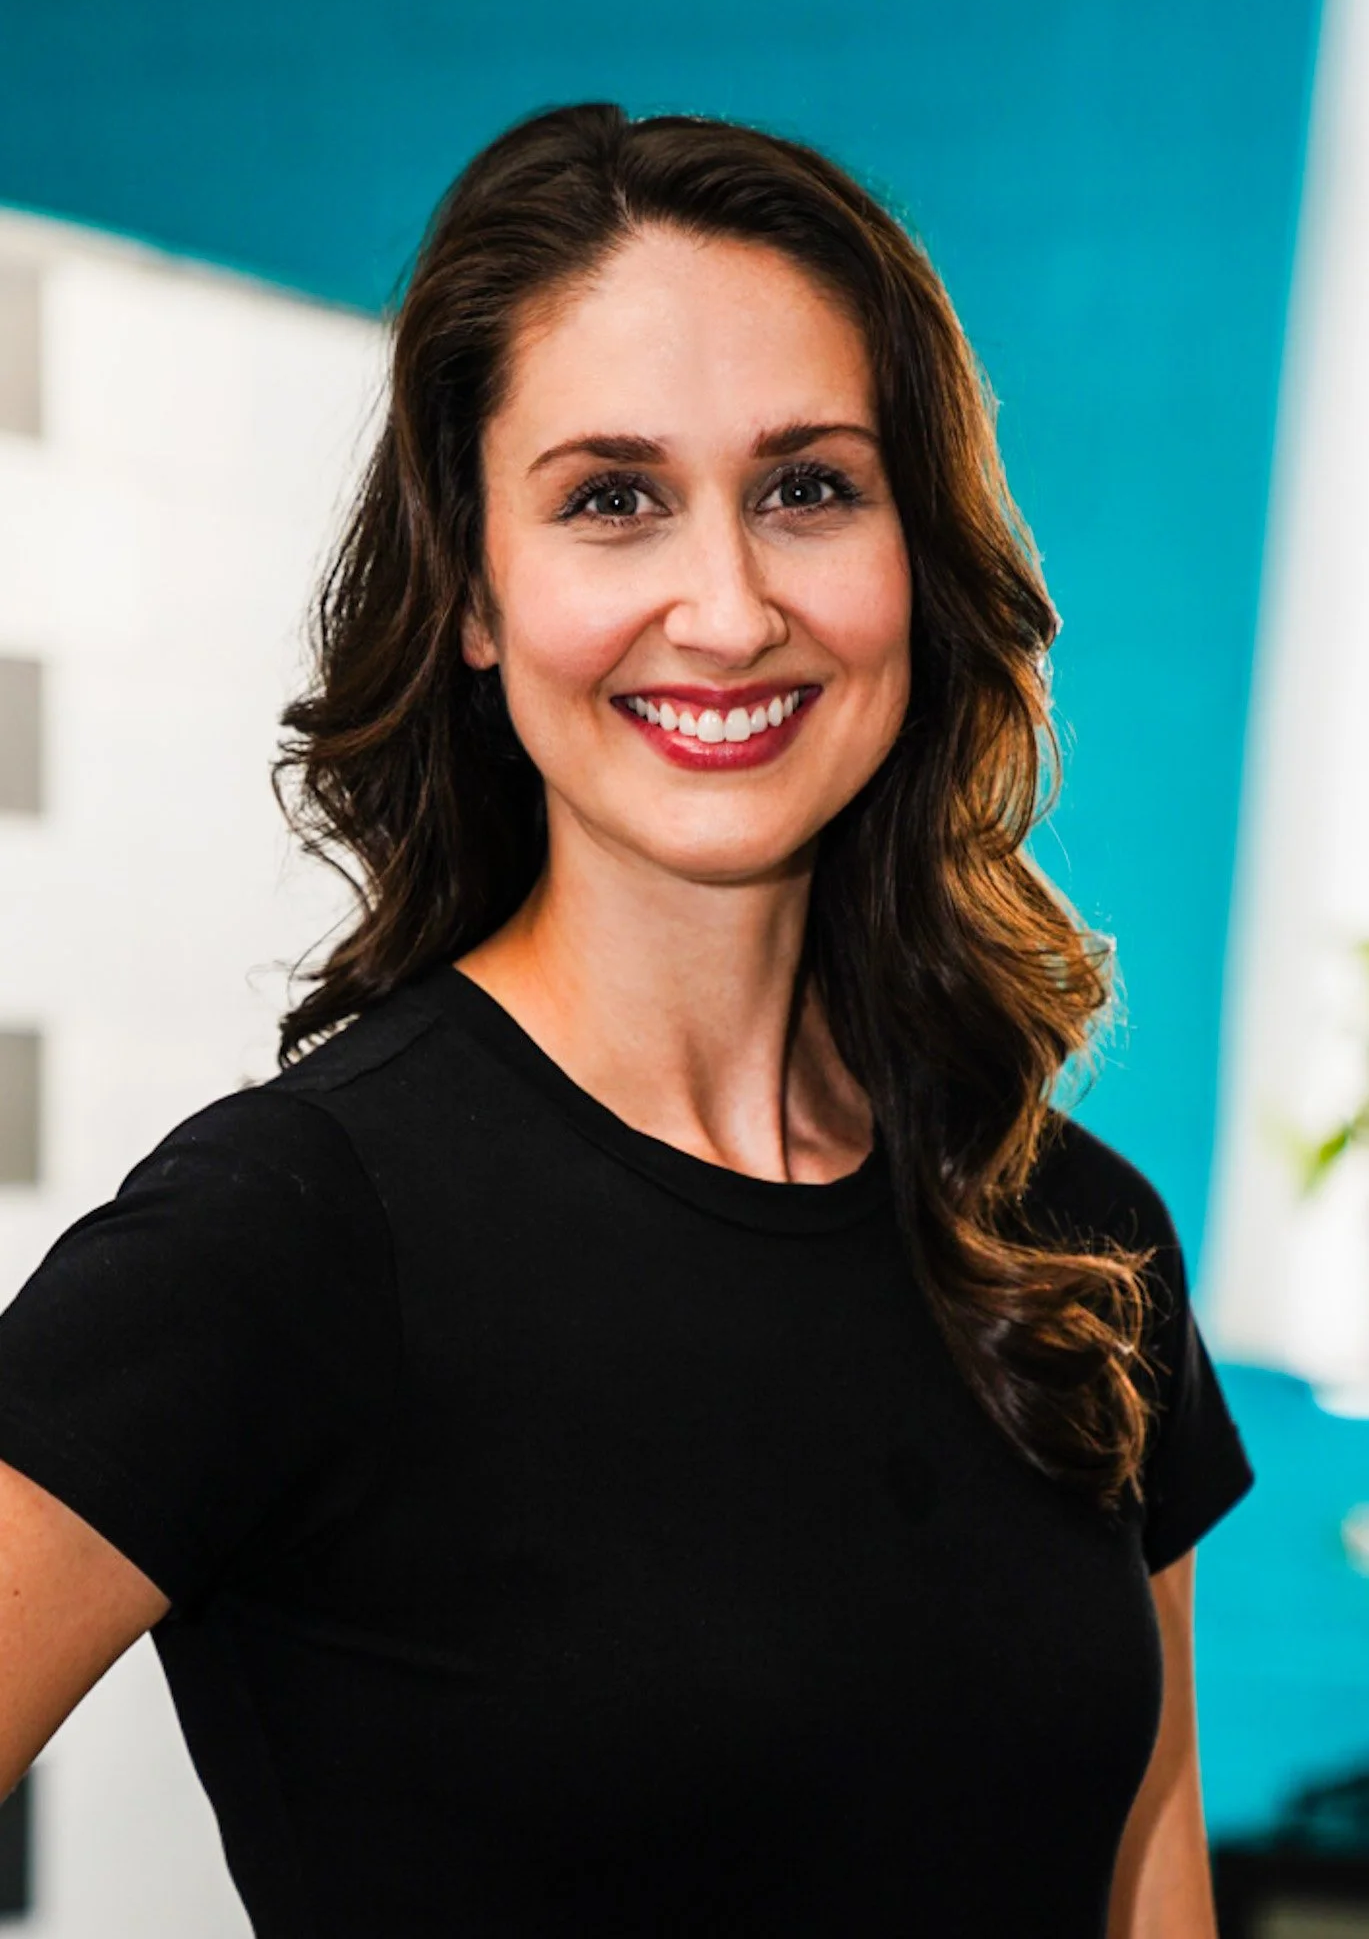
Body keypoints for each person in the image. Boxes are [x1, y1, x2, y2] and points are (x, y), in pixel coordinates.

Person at [0, 102, 1254, 1937]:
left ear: (920, 555)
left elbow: (1151, 1884)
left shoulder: (1067, 1235)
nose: (729, 609)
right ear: (478, 596)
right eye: (612, 499)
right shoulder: (293, 1237)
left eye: (810, 486)